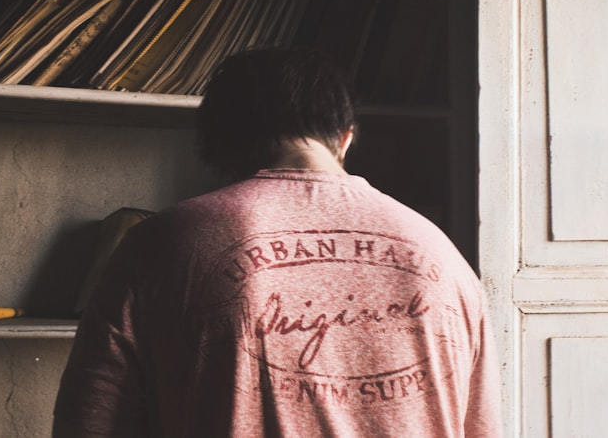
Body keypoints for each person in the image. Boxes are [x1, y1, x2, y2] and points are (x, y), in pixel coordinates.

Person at [52, 46, 502, 437]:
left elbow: (91, 422)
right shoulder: (442, 253)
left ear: (221, 145)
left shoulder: (159, 243)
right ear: (344, 138)